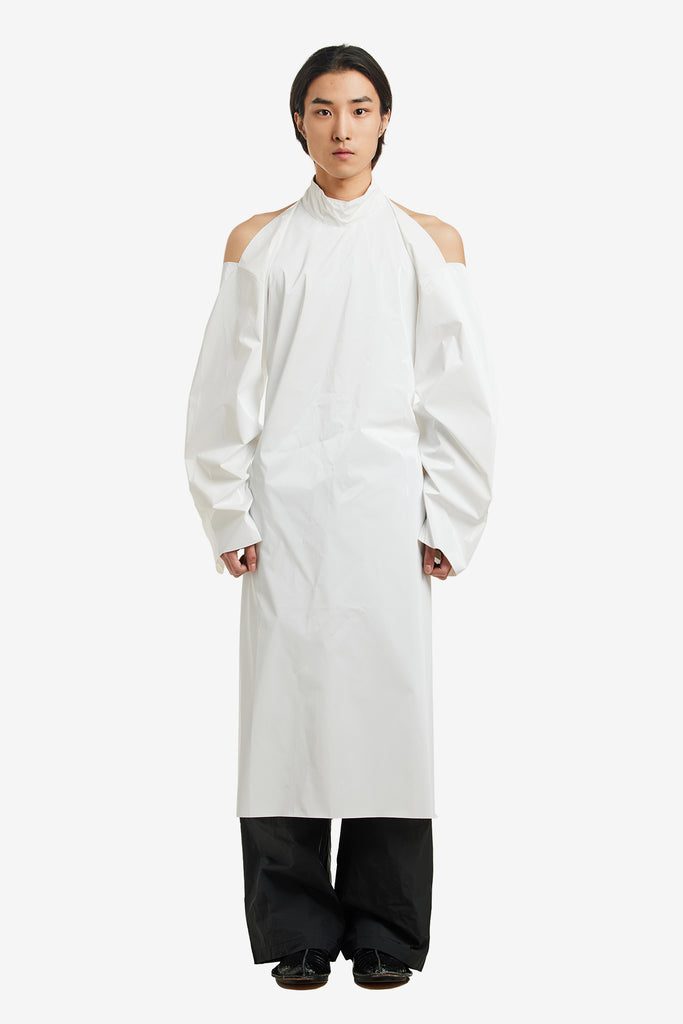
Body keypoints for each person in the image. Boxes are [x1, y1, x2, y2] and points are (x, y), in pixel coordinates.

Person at [184, 43, 497, 989]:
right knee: (282, 722)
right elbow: (223, 391)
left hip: (385, 518)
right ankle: (296, 930)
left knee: (387, 718)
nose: (342, 128)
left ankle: (386, 931)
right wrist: (227, 510)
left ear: (385, 119)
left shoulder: (427, 242)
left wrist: (450, 515)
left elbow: (457, 391)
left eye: (359, 109)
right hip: (284, 518)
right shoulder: (258, 243)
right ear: (298, 122)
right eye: (322, 110)